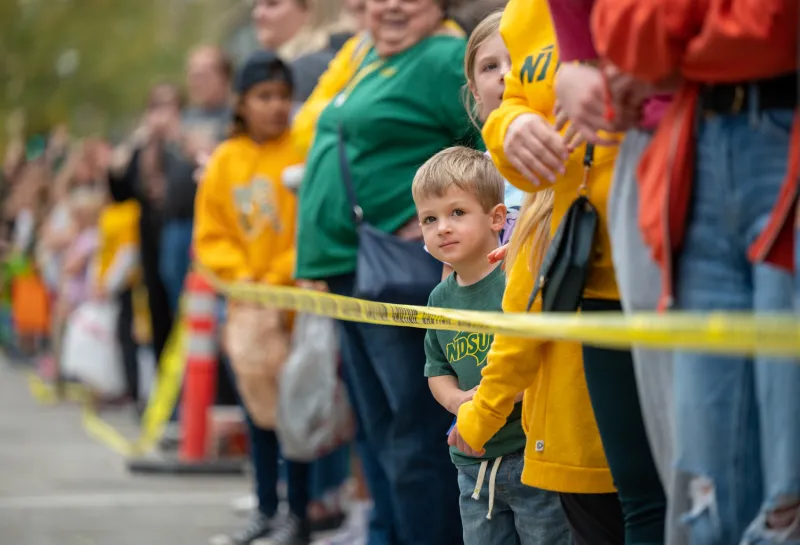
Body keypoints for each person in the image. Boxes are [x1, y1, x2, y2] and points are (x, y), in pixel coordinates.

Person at [592, 1, 799, 543]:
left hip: (777, 138)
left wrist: (674, 52)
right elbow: (624, 33)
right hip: (696, 153)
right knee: (706, 486)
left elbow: (768, 26)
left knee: (790, 482)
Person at [480, 0, 667, 542]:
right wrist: (511, 127)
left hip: (678, 264)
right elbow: (512, 102)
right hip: (596, 274)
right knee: (638, 496)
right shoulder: (524, 13)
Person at [294, 1, 480, 544]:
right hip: (348, 269)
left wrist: (430, 220)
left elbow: (479, 150)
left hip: (392, 273)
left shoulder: (445, 55)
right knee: (379, 433)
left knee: (412, 434)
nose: (392, 5)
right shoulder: (367, 56)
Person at [414, 146, 570, 545]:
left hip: (530, 456)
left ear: (497, 218)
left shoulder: (517, 279)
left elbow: (542, 359)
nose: (442, 228)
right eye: (429, 219)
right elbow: (437, 370)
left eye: (457, 213)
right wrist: (458, 404)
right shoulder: (438, 299)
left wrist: (493, 399)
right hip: (472, 467)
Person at [194, 50, 310, 545]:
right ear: (241, 103)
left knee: (299, 409)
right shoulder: (225, 161)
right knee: (257, 411)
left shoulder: (303, 148)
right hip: (248, 305)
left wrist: (279, 273)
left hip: (299, 303)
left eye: (283, 96)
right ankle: (265, 506)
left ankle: (300, 512)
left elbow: (311, 226)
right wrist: (245, 275)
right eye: (264, 96)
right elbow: (211, 234)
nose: (276, 106)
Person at [160, 45, 232, 314]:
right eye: (191, 74)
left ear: (223, 76)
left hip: (213, 224)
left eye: (202, 74)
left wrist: (193, 142)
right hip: (175, 224)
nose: (195, 81)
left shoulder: (233, 115)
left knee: (213, 305)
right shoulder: (186, 116)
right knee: (181, 305)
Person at [90, 197, 141, 407]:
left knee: (130, 337)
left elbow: (128, 253)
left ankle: (133, 388)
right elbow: (102, 251)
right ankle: (121, 386)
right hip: (112, 286)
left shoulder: (130, 212)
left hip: (128, 285)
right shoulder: (109, 213)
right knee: (118, 337)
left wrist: (109, 284)